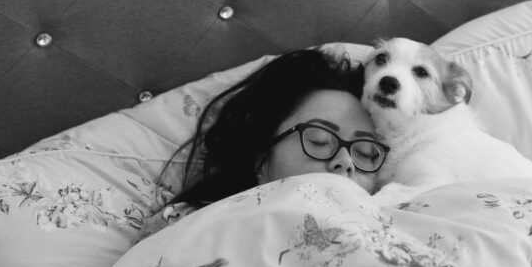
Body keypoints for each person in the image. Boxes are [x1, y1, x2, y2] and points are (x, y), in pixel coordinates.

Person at [167, 48, 389, 209]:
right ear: (262, 162)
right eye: (319, 141)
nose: (346, 162)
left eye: (364, 153)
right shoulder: (193, 227)